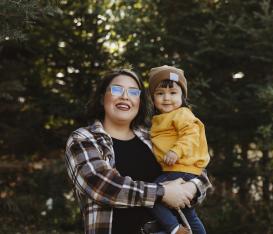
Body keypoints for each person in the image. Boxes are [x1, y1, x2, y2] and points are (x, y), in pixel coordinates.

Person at [64, 68, 212, 234]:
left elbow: (196, 169)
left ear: (140, 101)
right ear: (101, 98)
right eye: (117, 89)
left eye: (133, 92)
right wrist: (163, 193)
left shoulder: (151, 137)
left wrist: (191, 187)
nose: (125, 96)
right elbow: (102, 186)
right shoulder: (84, 138)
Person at [148, 65, 210, 234]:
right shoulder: (159, 119)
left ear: (183, 96)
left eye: (173, 93)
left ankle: (174, 229)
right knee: (189, 213)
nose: (167, 98)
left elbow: (191, 134)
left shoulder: (182, 114)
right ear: (152, 98)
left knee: (152, 194)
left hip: (180, 168)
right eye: (160, 93)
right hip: (179, 169)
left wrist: (176, 151)